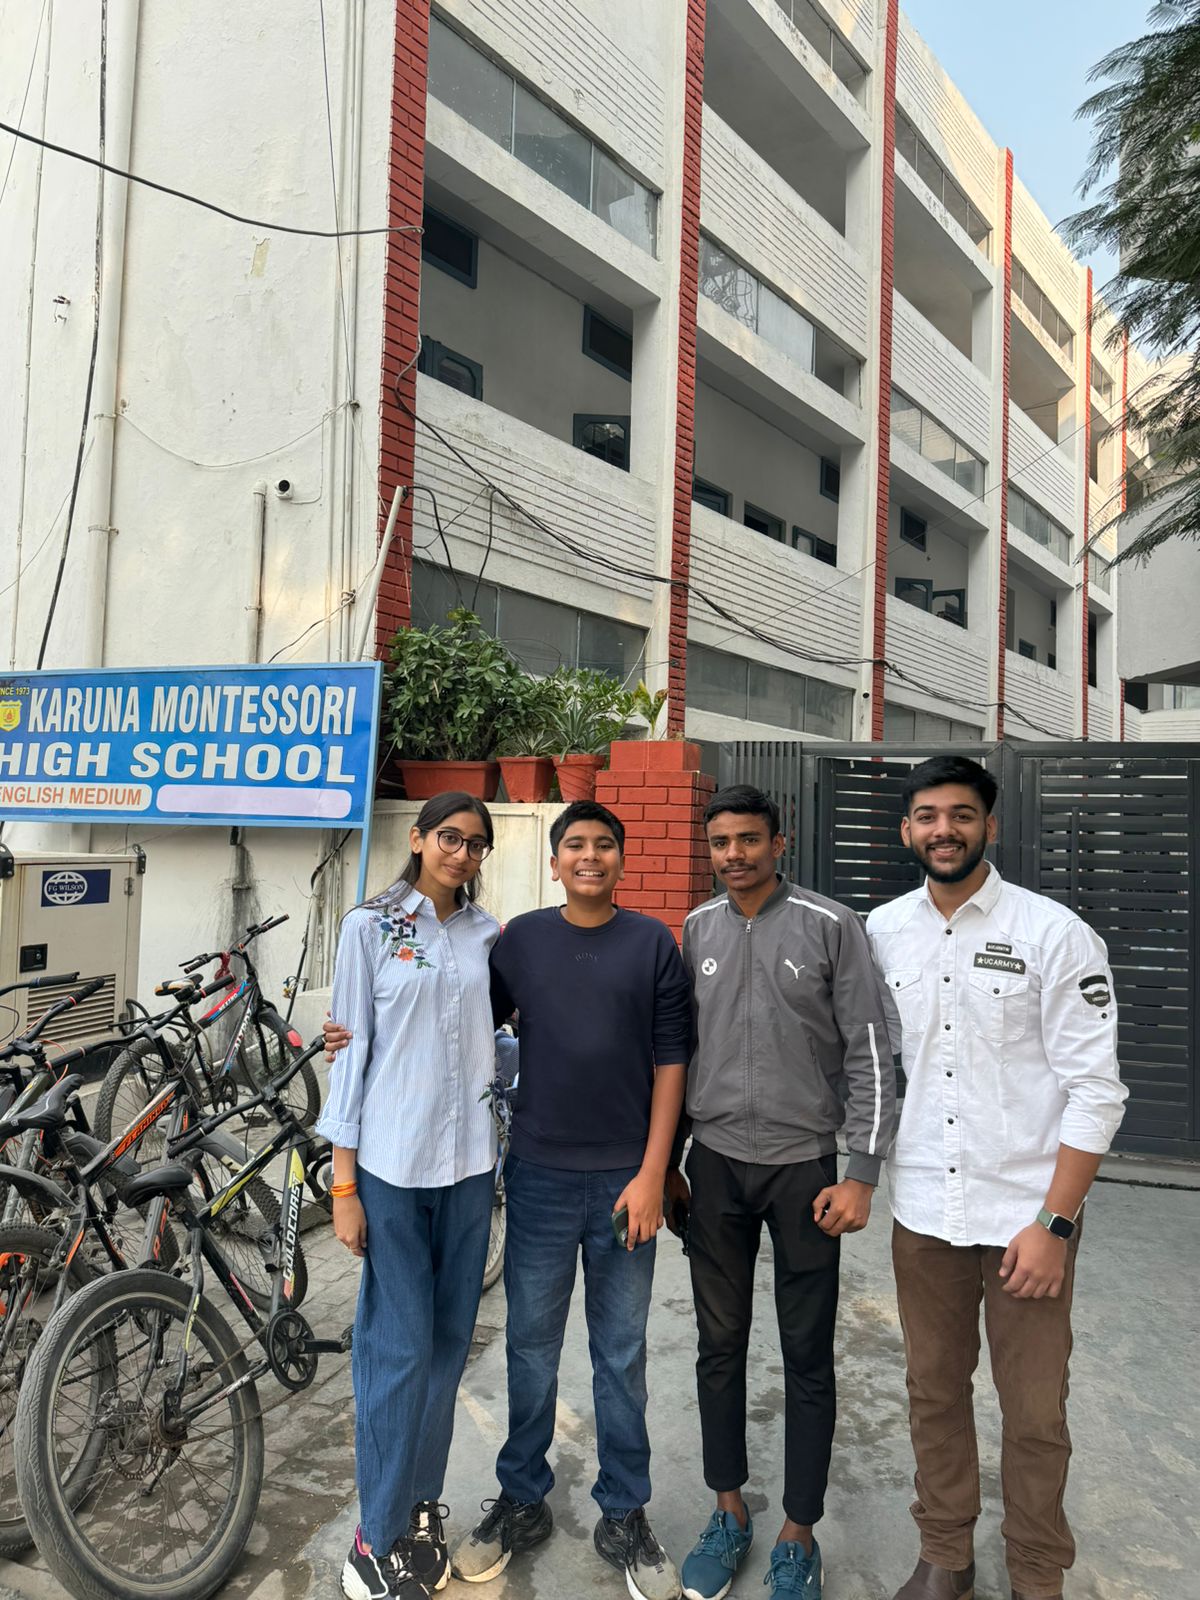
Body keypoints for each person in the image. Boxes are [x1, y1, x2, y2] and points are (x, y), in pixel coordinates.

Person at [327, 800, 692, 1600]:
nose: (461, 852)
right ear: (553, 863)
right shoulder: (461, 935)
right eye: (448, 837)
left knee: (595, 1353)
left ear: (621, 859)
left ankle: (608, 1511)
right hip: (479, 1173)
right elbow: (402, 1039)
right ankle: (457, 1513)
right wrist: (343, 1163)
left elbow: (660, 1056)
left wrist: (656, 1170)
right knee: (480, 1350)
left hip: (550, 1177)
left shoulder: (574, 941)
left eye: (604, 844)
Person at [865, 755, 1128, 1600]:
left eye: (961, 814)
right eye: (928, 816)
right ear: (907, 829)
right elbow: (871, 1066)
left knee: (1035, 1410)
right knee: (933, 1392)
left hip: (1027, 1219)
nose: (944, 830)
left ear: (990, 825)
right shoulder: (881, 932)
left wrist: (1055, 1225)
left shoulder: (1055, 933)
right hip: (925, 1211)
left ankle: (1037, 1572)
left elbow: (1097, 1089)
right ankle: (946, 1554)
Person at [674, 785, 897, 1600]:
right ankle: (728, 1509)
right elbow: (679, 1051)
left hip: (806, 1170)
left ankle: (799, 1532)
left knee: (806, 1353)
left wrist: (861, 1171)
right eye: (720, 842)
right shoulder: (697, 928)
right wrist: (670, 1161)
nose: (733, 854)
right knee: (718, 1343)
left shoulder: (831, 926)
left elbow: (872, 1050)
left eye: (748, 839)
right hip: (716, 1165)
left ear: (780, 841)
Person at [318, 792, 501, 1600]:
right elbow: (350, 1055)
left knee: (446, 1347)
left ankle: (420, 1508)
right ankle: (373, 1537)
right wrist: (343, 1183)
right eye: (449, 837)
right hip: (391, 1169)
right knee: (395, 1352)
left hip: (470, 1167)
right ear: (420, 839)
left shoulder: (487, 935)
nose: (462, 853)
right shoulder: (371, 928)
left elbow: (497, 1039)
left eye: (476, 843)